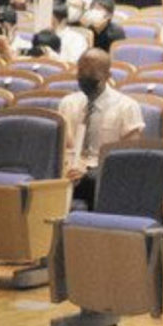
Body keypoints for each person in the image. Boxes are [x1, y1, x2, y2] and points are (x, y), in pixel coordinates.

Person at [58, 48, 143, 209]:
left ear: (107, 75)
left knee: (92, 180)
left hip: (104, 174)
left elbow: (129, 158)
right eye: (81, 71)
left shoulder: (127, 107)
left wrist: (88, 172)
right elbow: (65, 146)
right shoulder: (68, 103)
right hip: (71, 171)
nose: (84, 77)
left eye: (91, 73)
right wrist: (73, 165)